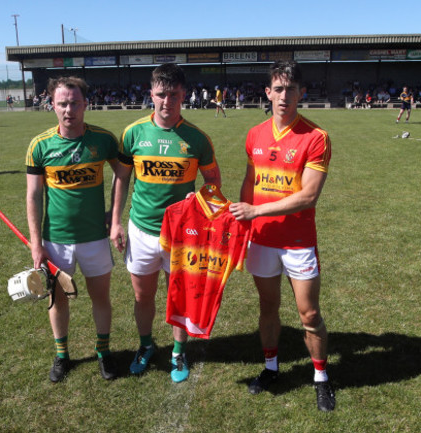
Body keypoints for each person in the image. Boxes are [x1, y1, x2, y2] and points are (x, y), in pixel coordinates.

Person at [229, 60, 336, 412]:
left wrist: (256, 211)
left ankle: (321, 376)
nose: (284, 96)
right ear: (268, 93)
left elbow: (308, 195)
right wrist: (244, 219)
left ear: (301, 93)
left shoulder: (316, 137)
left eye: (291, 89)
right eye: (278, 89)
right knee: (268, 307)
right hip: (260, 240)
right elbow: (250, 181)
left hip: (297, 241)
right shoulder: (254, 135)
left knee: (309, 313)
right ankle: (271, 367)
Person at [110, 63, 221, 383]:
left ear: (183, 95)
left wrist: (205, 215)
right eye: (161, 94)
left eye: (173, 95)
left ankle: (177, 351)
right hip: (141, 231)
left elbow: (212, 181)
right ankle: (146, 346)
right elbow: (121, 180)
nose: (167, 101)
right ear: (151, 94)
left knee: (180, 298)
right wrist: (115, 222)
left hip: (182, 236)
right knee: (142, 297)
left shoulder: (197, 139)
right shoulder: (133, 133)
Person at [26, 76, 123, 383]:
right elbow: (33, 195)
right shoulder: (39, 146)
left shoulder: (103, 140)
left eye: (75, 103)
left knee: (100, 298)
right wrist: (35, 242)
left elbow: (123, 174)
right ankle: (61, 355)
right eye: (62, 103)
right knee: (58, 299)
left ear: (86, 104)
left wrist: (115, 214)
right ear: (52, 105)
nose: (69, 110)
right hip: (56, 240)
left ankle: (104, 352)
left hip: (94, 237)